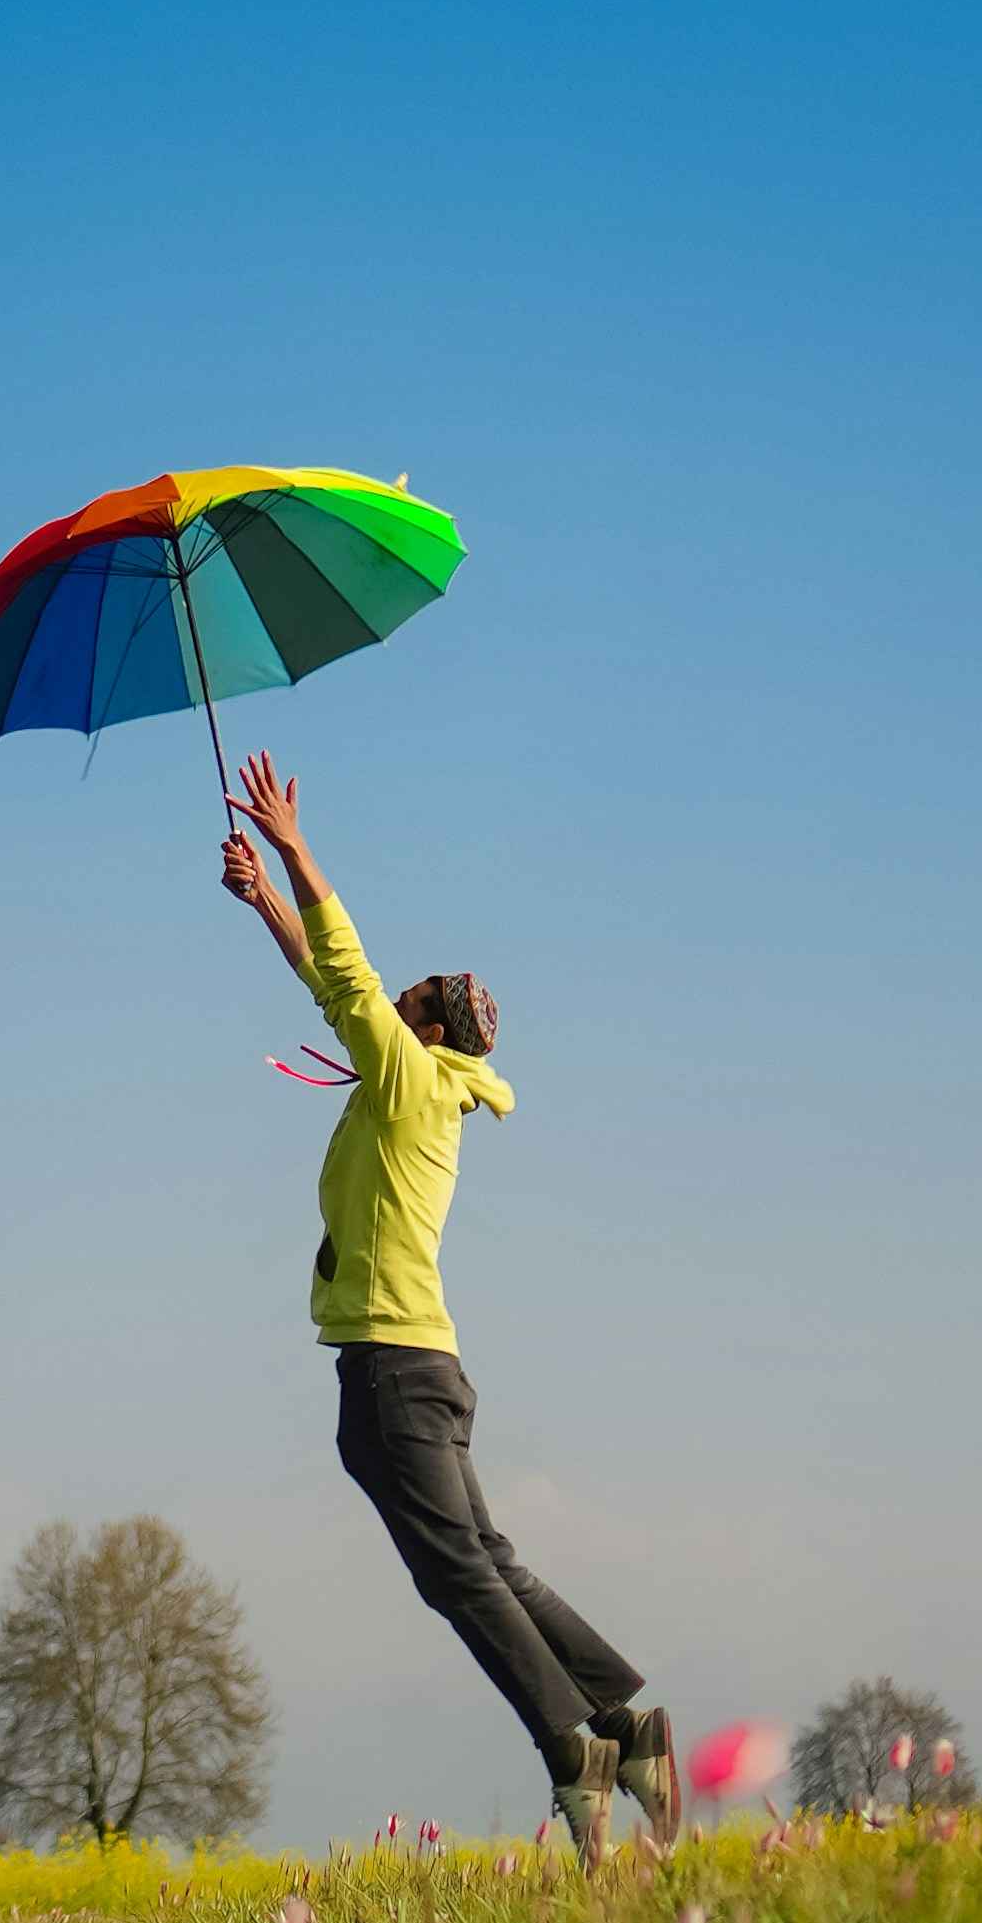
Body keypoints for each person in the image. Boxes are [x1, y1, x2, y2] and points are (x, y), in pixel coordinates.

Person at [217, 747, 678, 1866]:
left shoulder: (411, 1081)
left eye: (407, 994)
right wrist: (265, 898)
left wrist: (293, 847)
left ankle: (575, 1745)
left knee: (460, 1571)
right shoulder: (423, 1086)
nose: (392, 995)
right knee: (486, 1559)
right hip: (426, 1369)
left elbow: (345, 969)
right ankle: (623, 1716)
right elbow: (338, 988)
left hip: (392, 1371)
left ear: (422, 1026)